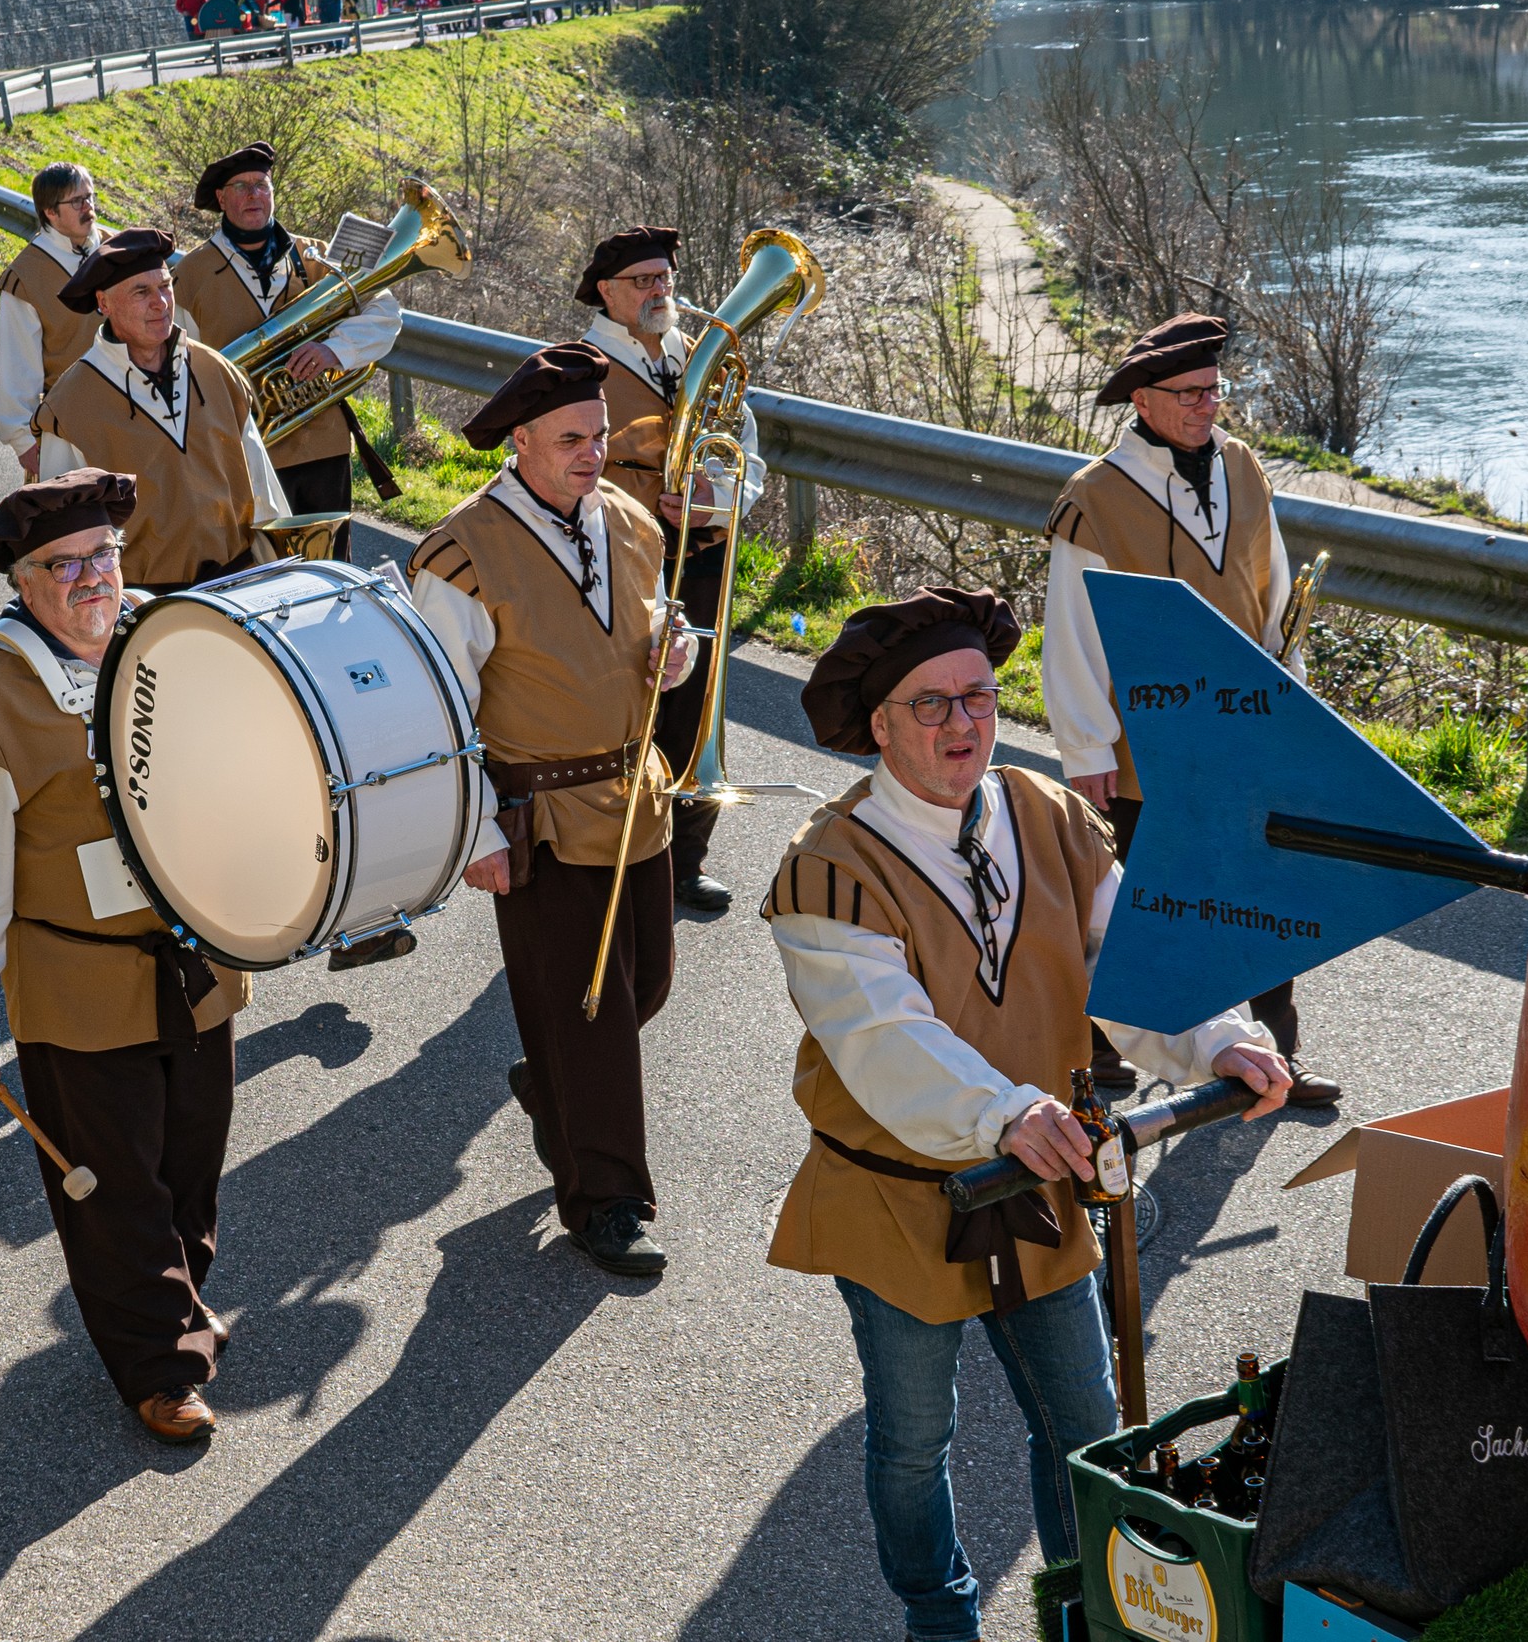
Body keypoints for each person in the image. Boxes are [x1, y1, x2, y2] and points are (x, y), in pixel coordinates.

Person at [766, 589, 1292, 1642]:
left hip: (1040, 1176)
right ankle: (938, 1612)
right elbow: (882, 1038)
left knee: (1088, 1428)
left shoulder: (1047, 815)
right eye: (931, 706)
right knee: (916, 1438)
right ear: (878, 725)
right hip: (900, 1196)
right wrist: (1004, 1111)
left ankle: (1089, 1611)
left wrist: (1217, 1039)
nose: (963, 724)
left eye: (979, 697)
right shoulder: (830, 869)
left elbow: (1129, 960)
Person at [0, 469, 253, 1445]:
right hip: (74, 977)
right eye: (68, 564)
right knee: (116, 1184)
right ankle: (159, 1365)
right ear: (24, 579)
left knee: (192, 1163)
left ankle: (176, 1305)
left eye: (107, 555)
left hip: (194, 957)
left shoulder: (170, 642)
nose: (97, 578)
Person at [407, 343, 698, 1273]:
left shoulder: (629, 520)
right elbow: (436, 712)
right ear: (521, 440)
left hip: (636, 797)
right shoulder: (458, 555)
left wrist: (676, 653)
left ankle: (553, 1082)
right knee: (591, 1015)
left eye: (601, 435)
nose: (593, 453)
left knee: (644, 988)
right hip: (535, 817)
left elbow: (656, 630)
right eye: (571, 438)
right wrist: (472, 837)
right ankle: (608, 1202)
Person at [1040, 313, 1343, 1108]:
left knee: (1262, 899)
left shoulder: (1243, 466)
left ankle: (1274, 1053)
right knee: (1146, 904)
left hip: (1246, 730)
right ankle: (1106, 1062)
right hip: (1146, 743)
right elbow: (1073, 634)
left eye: (1216, 390)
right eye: (1191, 394)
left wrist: (1292, 703)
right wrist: (1088, 750)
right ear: (1143, 400)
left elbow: (1274, 590)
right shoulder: (1095, 498)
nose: (1209, 406)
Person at [577, 226, 764, 916]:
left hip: (702, 553)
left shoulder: (703, 356)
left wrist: (716, 500)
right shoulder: (580, 362)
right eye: (643, 282)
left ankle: (684, 861)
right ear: (606, 291)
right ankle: (615, 855)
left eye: (666, 280)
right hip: (619, 558)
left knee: (695, 707)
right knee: (627, 707)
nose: (661, 293)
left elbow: (748, 456)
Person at [32, 229, 289, 593]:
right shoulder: (71, 404)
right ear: (103, 303)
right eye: (141, 292)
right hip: (142, 604)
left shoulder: (217, 371)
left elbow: (265, 496)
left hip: (239, 586)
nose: (162, 303)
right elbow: (63, 539)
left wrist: (283, 581)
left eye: (165, 286)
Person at [170, 142, 403, 522]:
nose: (254, 195)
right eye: (241, 187)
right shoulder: (189, 275)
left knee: (330, 563)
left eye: (262, 185)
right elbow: (179, 367)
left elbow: (386, 310)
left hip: (324, 448)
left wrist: (335, 351)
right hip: (245, 454)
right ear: (221, 198)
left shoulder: (320, 252)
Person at [0, 162, 108, 481]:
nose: (89, 207)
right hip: (67, 429)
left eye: (90, 197)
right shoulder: (26, 277)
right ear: (50, 213)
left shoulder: (117, 250)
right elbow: (18, 367)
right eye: (77, 201)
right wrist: (24, 442)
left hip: (133, 415)